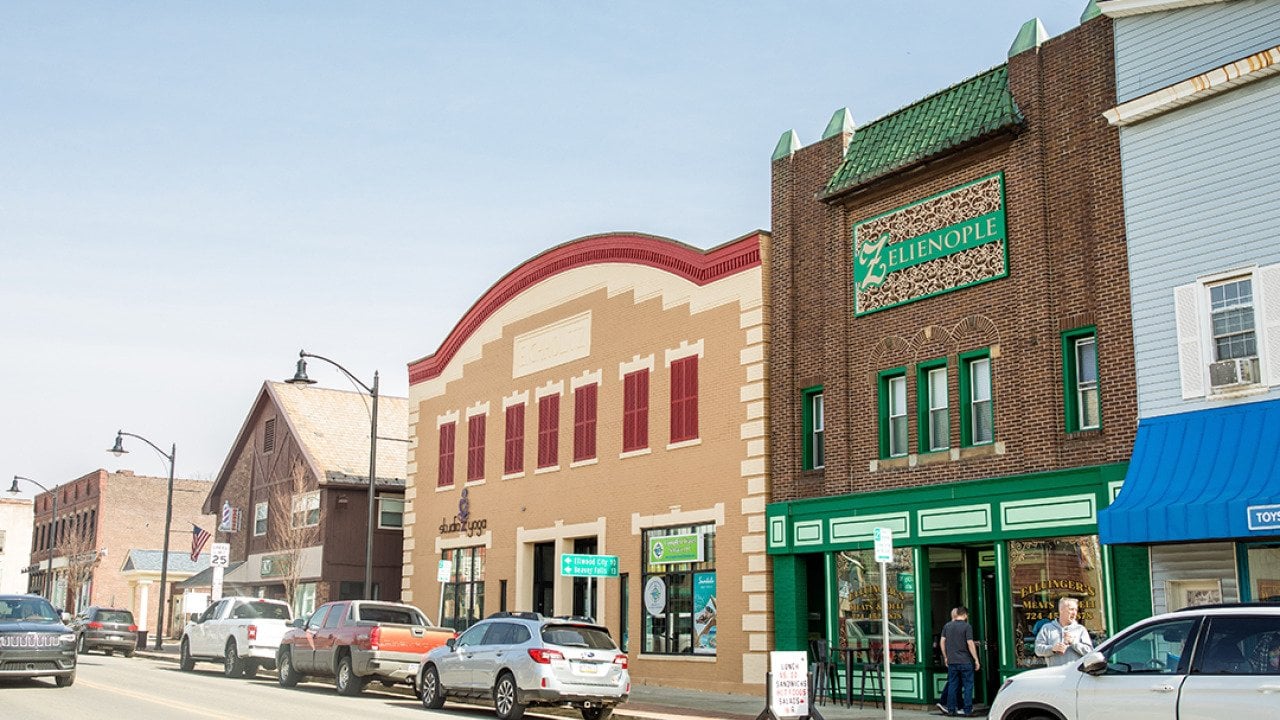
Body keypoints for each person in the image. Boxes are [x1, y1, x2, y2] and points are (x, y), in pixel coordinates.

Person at [940, 605, 980, 717]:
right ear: (965, 615)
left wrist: (946, 656)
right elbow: (970, 643)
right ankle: (967, 710)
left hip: (952, 661)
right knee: (968, 686)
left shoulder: (947, 626)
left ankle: (951, 709)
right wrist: (976, 659)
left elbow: (942, 642)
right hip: (965, 661)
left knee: (952, 685)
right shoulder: (967, 626)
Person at [1034, 596, 1094, 667]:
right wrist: (1052, 649)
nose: (1074, 613)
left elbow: (1090, 652)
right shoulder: (1047, 628)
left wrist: (1073, 643)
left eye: (1076, 610)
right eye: (1071, 609)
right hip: (1055, 672)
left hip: (1075, 672)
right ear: (1061, 610)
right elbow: (1038, 650)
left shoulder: (1080, 629)